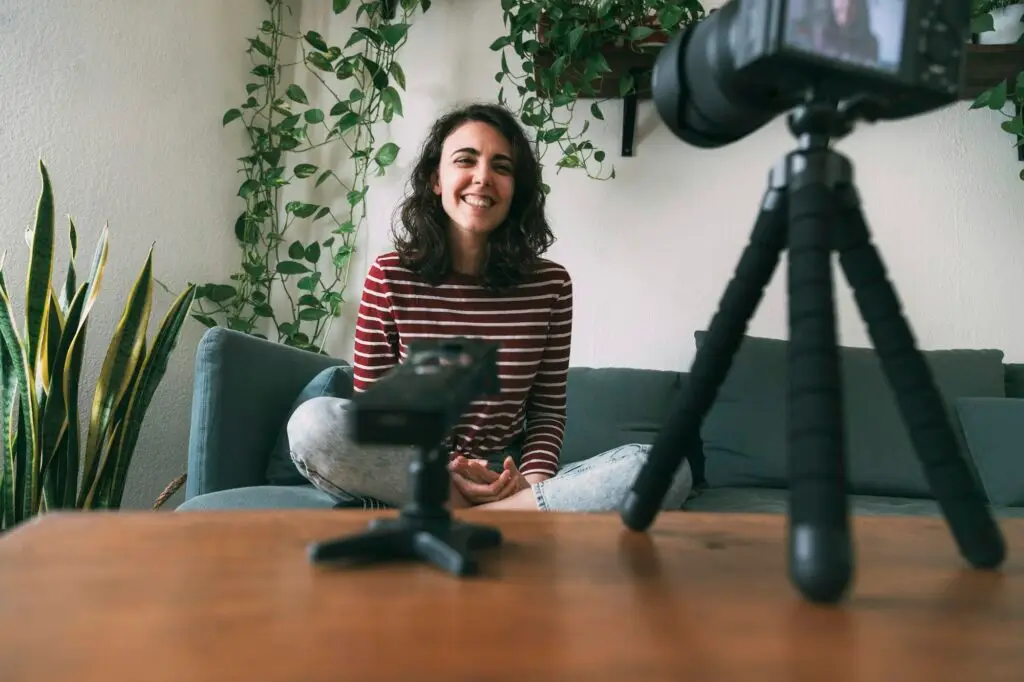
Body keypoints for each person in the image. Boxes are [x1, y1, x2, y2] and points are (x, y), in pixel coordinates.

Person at [286, 101, 693, 512]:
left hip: (510, 480)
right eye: (466, 160)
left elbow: (547, 413)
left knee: (665, 466)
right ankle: (496, 516)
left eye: (502, 167)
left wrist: (528, 484)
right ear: (436, 180)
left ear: (515, 189)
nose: (483, 178)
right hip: (416, 471)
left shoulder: (549, 286)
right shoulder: (390, 276)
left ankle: (490, 517)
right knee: (313, 424)